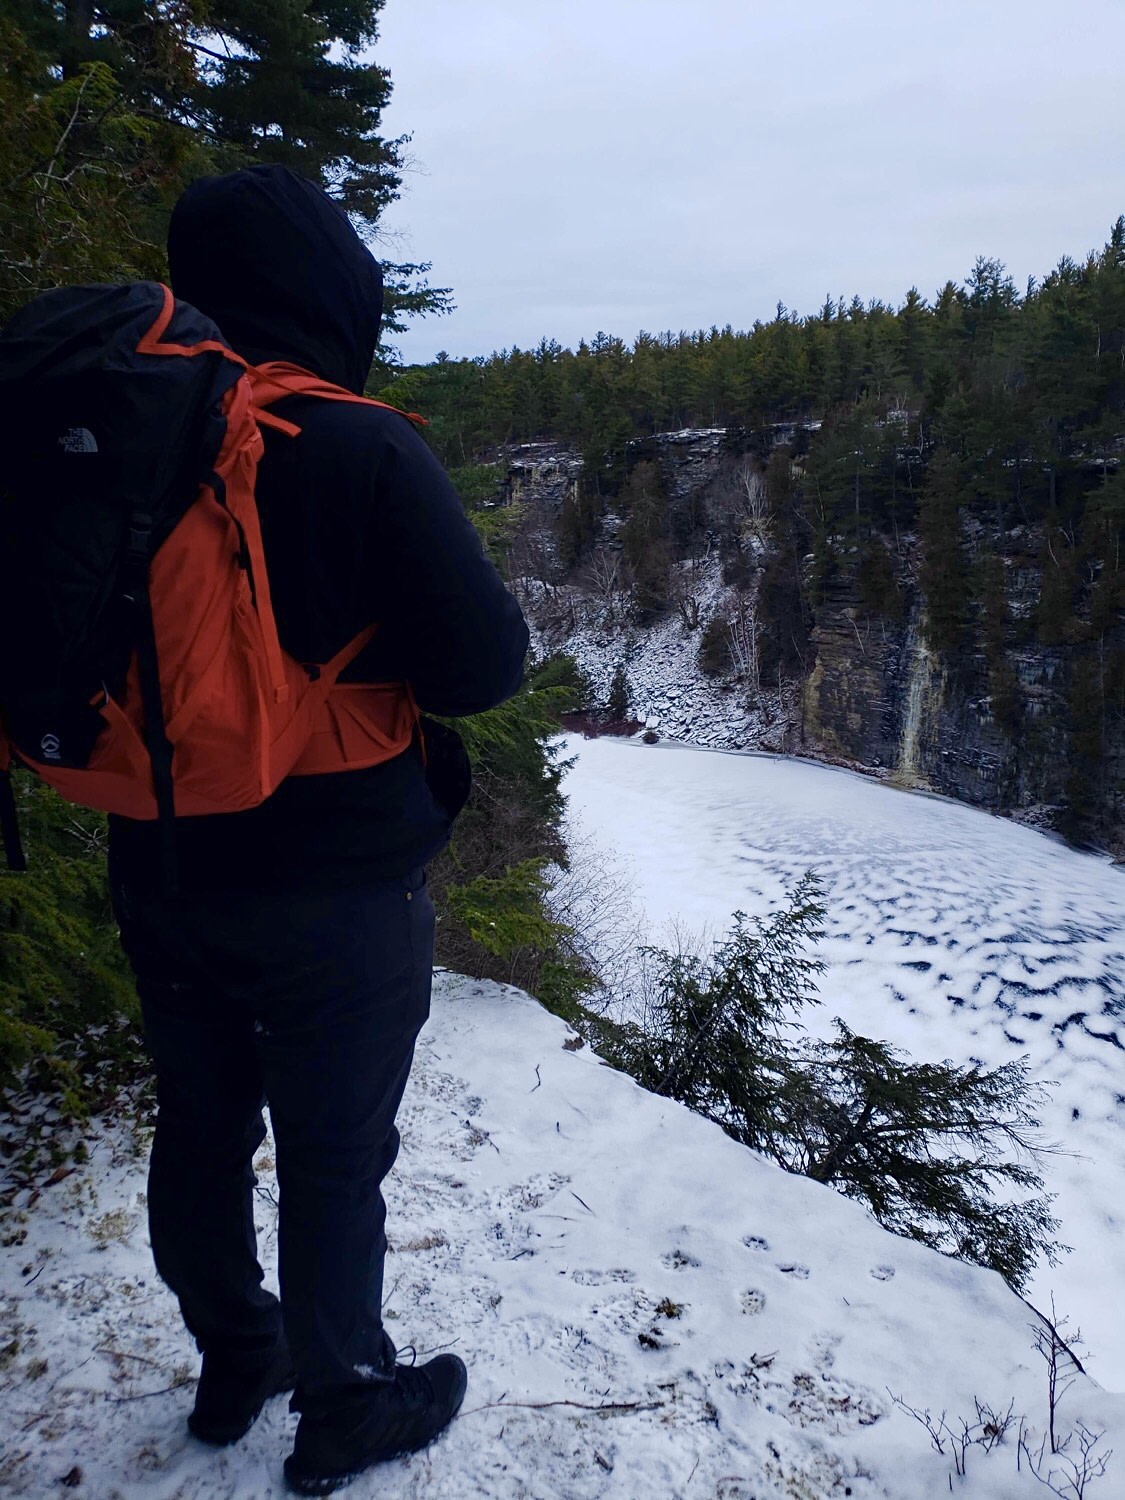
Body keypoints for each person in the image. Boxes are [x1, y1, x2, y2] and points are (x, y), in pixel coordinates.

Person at [106, 164, 530, 1495]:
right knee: (335, 1157)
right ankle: (345, 1394)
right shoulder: (354, 443)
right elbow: (477, 669)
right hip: (338, 882)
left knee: (201, 1122)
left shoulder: (124, 427)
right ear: (327, 279)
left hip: (160, 855)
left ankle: (238, 1358)